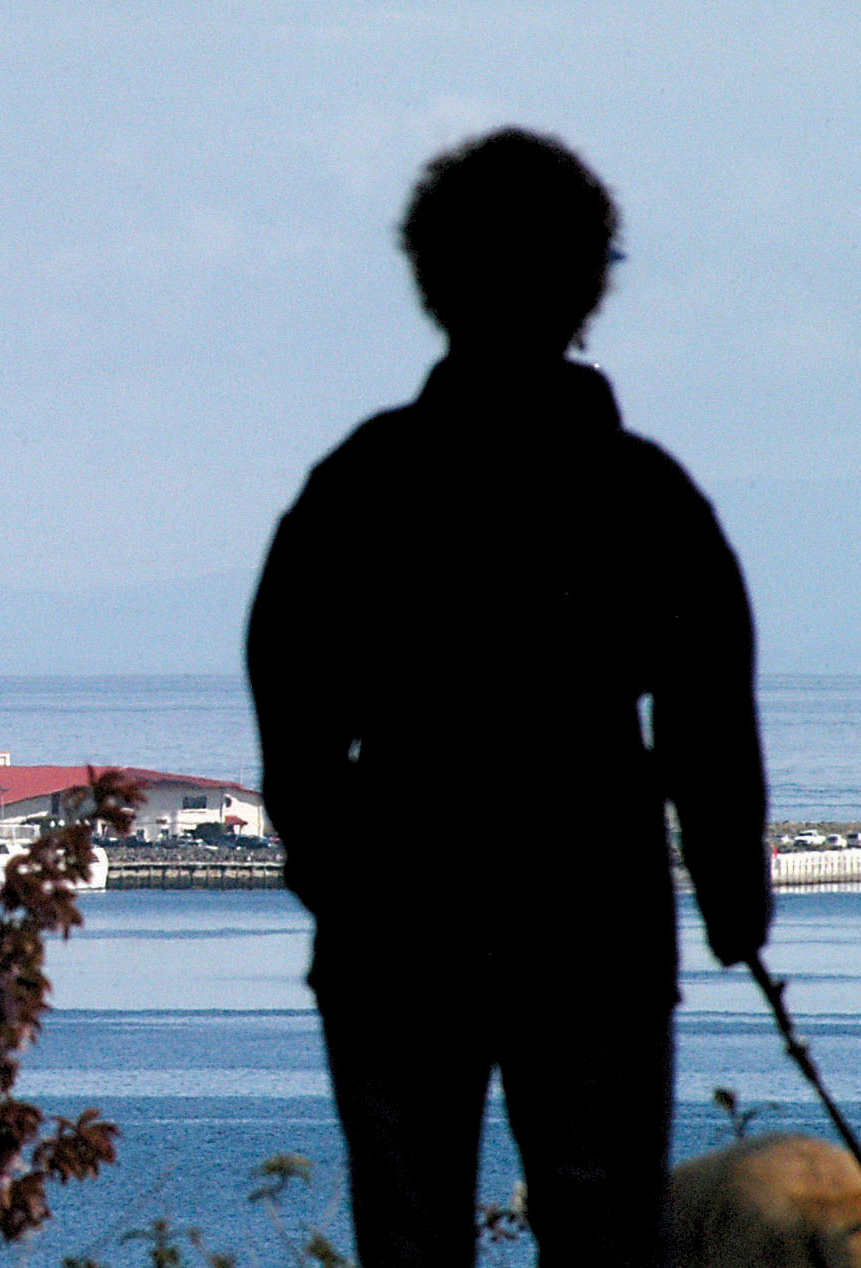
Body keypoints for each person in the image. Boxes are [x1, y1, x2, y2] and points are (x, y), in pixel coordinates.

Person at [245, 127, 772, 1267]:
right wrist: (736, 901)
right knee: (601, 1230)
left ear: (429, 278)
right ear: (591, 283)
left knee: (409, 1231)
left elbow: (291, 713)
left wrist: (334, 875)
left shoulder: (359, 484)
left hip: (394, 916)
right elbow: (708, 723)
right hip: (593, 915)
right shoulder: (642, 494)